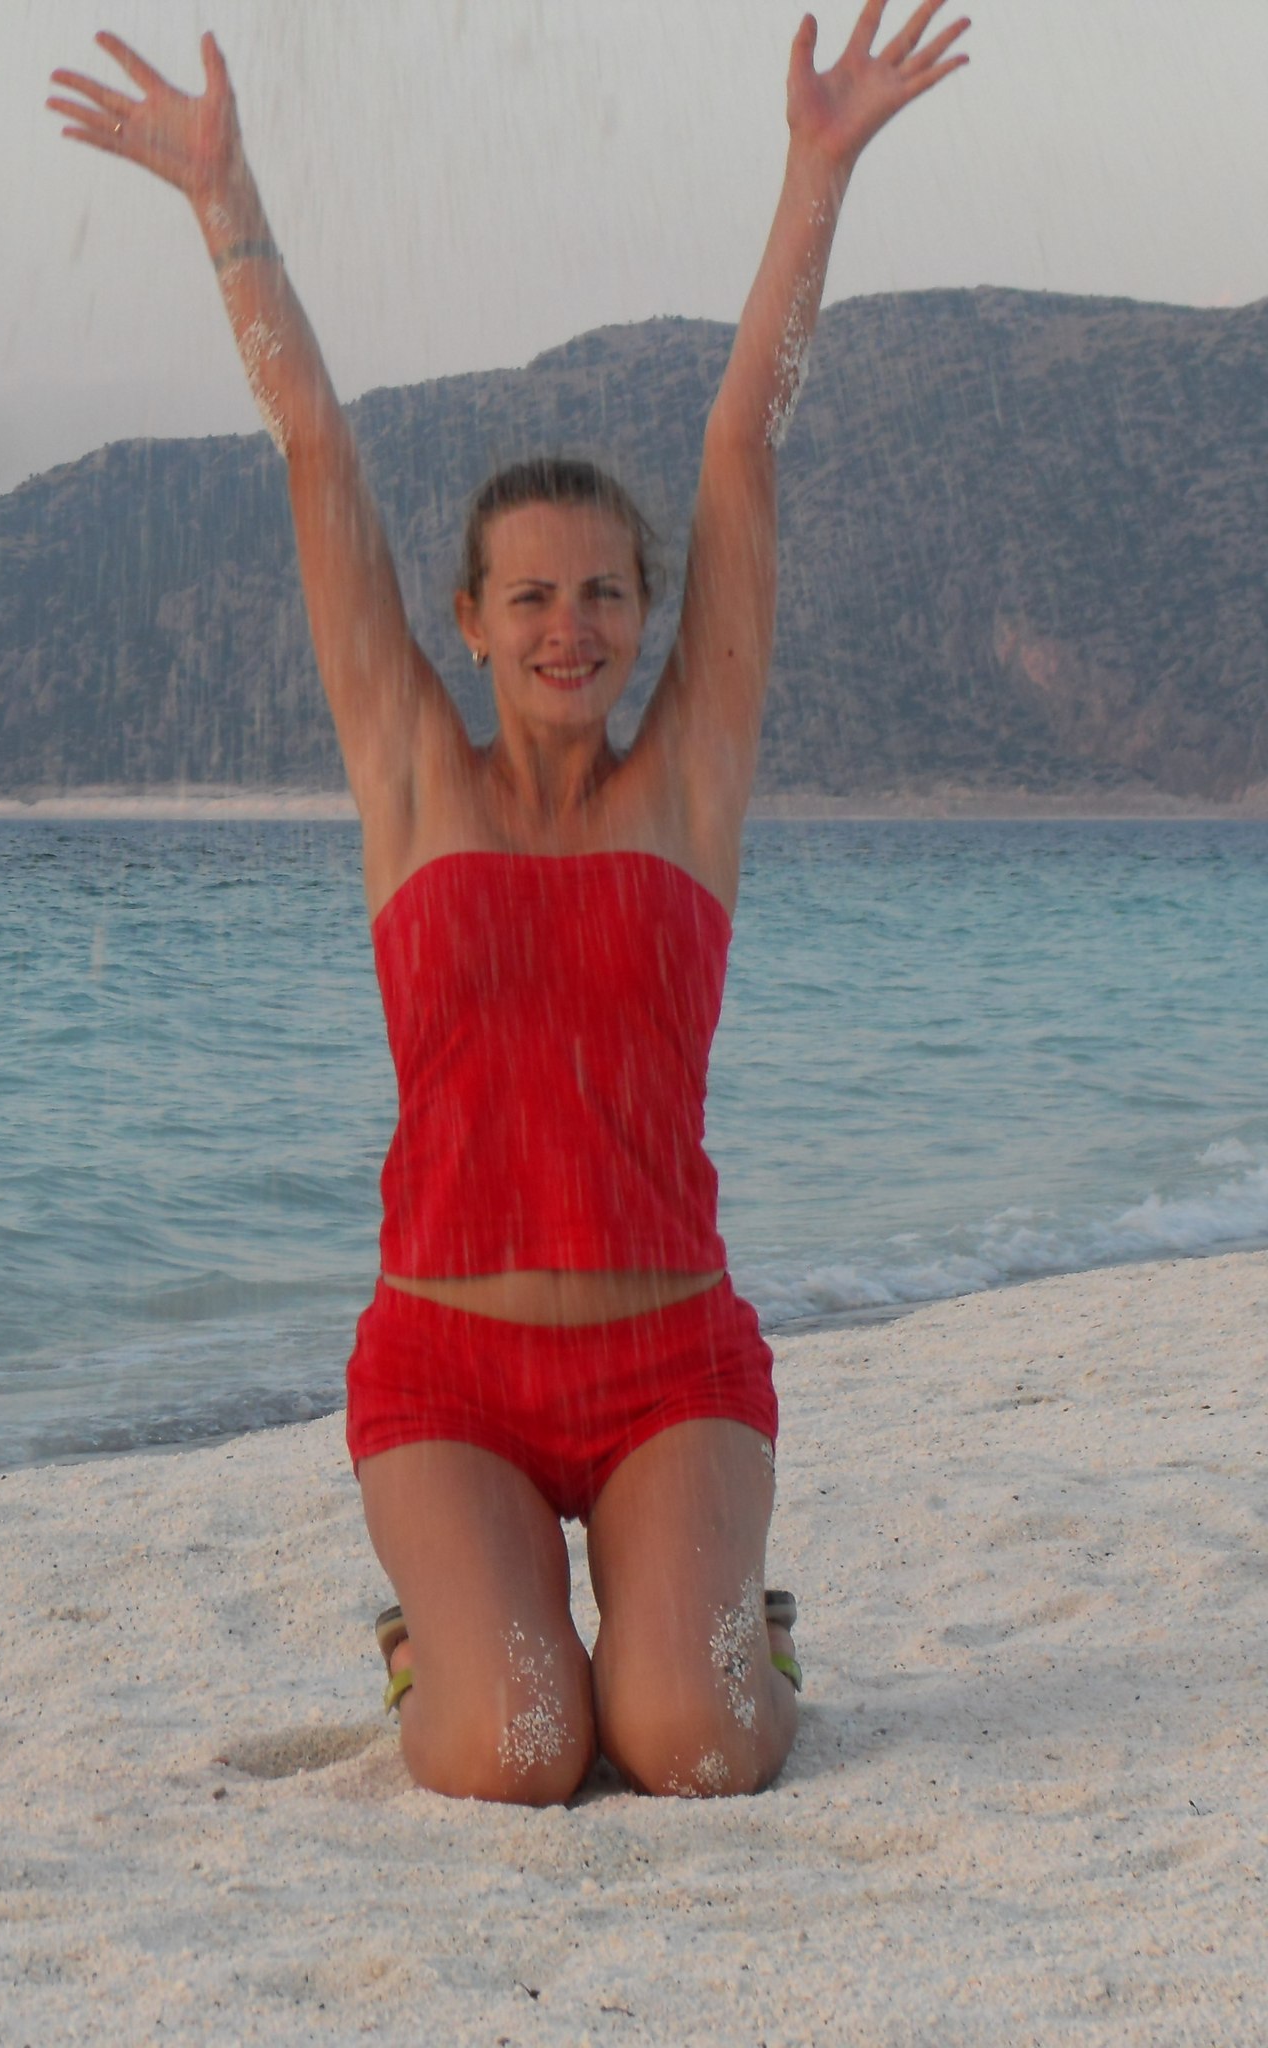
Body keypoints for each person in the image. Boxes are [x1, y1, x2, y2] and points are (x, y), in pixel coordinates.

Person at [49, 1, 970, 1806]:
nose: (572, 626)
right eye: (531, 597)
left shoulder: (687, 786)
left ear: (644, 615)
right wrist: (226, 206)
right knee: (517, 1752)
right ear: (467, 623)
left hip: (669, 1359)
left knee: (691, 1743)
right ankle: (443, 1641)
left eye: (606, 592)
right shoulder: (413, 779)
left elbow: (742, 451)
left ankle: (739, 1629)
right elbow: (316, 451)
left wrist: (817, 174)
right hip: (447, 1368)